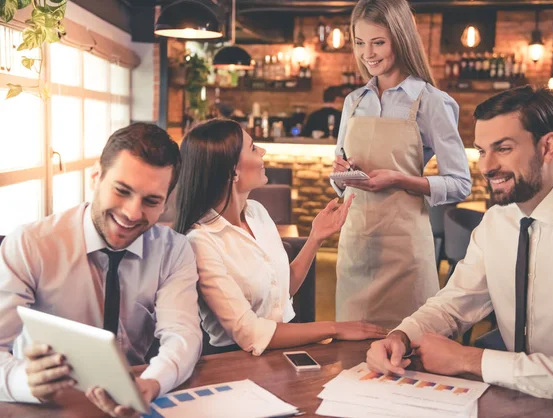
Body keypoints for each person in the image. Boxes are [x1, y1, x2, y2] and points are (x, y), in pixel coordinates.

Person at [366, 86, 553, 406]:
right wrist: (401, 336)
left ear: (547, 146)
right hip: (512, 400)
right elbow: (453, 305)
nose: (486, 167)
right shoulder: (496, 222)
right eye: (480, 151)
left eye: (502, 149)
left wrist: (469, 360)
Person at [0, 123, 203, 416]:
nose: (133, 213)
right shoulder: (31, 244)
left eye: (151, 201)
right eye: (122, 191)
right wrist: (24, 380)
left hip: (133, 400)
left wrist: (153, 382)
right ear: (95, 177)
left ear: (165, 203)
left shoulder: (173, 251)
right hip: (48, 405)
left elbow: (183, 335)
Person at [174, 119, 387, 356]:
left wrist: (316, 237)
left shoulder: (257, 212)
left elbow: (282, 292)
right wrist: (334, 328)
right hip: (235, 359)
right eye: (254, 148)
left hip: (283, 346)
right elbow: (251, 333)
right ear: (232, 171)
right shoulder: (201, 242)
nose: (263, 151)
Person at [331, 0, 472, 328]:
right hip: (356, 245)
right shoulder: (354, 102)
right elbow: (339, 181)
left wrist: (400, 179)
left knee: (408, 352)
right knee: (351, 353)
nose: (368, 54)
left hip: (405, 251)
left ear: (401, 39)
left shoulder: (431, 102)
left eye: (378, 42)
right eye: (360, 43)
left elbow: (460, 183)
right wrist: (341, 174)